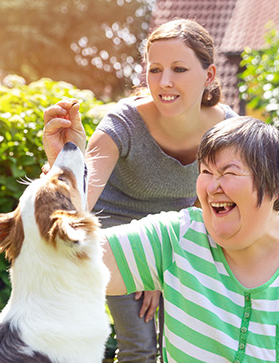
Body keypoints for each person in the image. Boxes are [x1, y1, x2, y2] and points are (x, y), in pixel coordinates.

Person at [43, 19, 238, 362]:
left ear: (209, 76)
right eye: (155, 69)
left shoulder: (226, 129)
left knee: (191, 344)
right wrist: (62, 159)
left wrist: (164, 261)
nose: (164, 82)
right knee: (142, 346)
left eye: (179, 69)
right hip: (115, 230)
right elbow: (82, 199)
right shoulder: (123, 123)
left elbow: (214, 199)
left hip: (181, 231)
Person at [103, 116, 279, 362]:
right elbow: (74, 260)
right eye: (206, 171)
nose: (212, 186)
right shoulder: (178, 237)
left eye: (229, 172)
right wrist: (65, 173)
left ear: (276, 187)